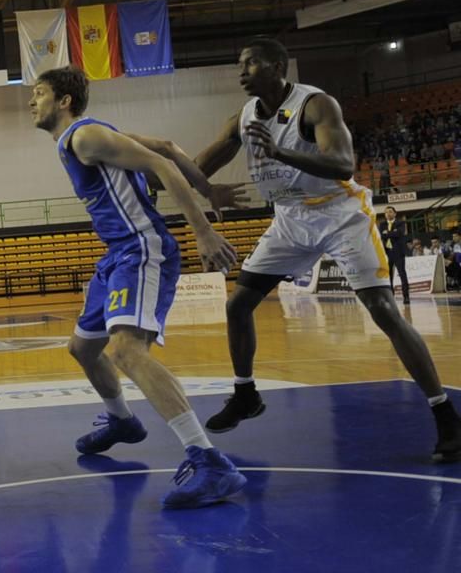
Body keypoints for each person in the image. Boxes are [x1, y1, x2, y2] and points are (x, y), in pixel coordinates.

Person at [194, 38, 460, 462]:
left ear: (278, 65)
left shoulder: (316, 105)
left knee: (384, 311)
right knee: (238, 305)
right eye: (239, 64)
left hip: (340, 214)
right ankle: (245, 394)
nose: (242, 71)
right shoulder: (242, 118)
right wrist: (186, 183)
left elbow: (342, 164)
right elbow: (197, 166)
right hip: (289, 218)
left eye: (251, 63)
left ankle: (446, 415)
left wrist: (279, 150)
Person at [29, 66, 247, 508]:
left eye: (38, 94)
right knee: (83, 349)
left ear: (64, 101)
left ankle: (208, 461)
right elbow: (165, 145)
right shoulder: (87, 137)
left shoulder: (83, 137)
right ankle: (122, 421)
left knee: (126, 352)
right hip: (115, 255)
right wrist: (208, 189)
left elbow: (162, 163)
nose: (31, 102)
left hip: (140, 248)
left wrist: (202, 230)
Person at [379, 206, 410, 303]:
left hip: (398, 252)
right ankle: (390, 296)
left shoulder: (401, 223)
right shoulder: (382, 224)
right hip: (387, 252)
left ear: (395, 213)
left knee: (402, 274)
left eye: (390, 212)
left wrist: (387, 233)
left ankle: (406, 296)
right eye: (386, 212)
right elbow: (382, 235)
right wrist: (392, 233)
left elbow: (399, 233)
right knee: (388, 276)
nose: (388, 214)